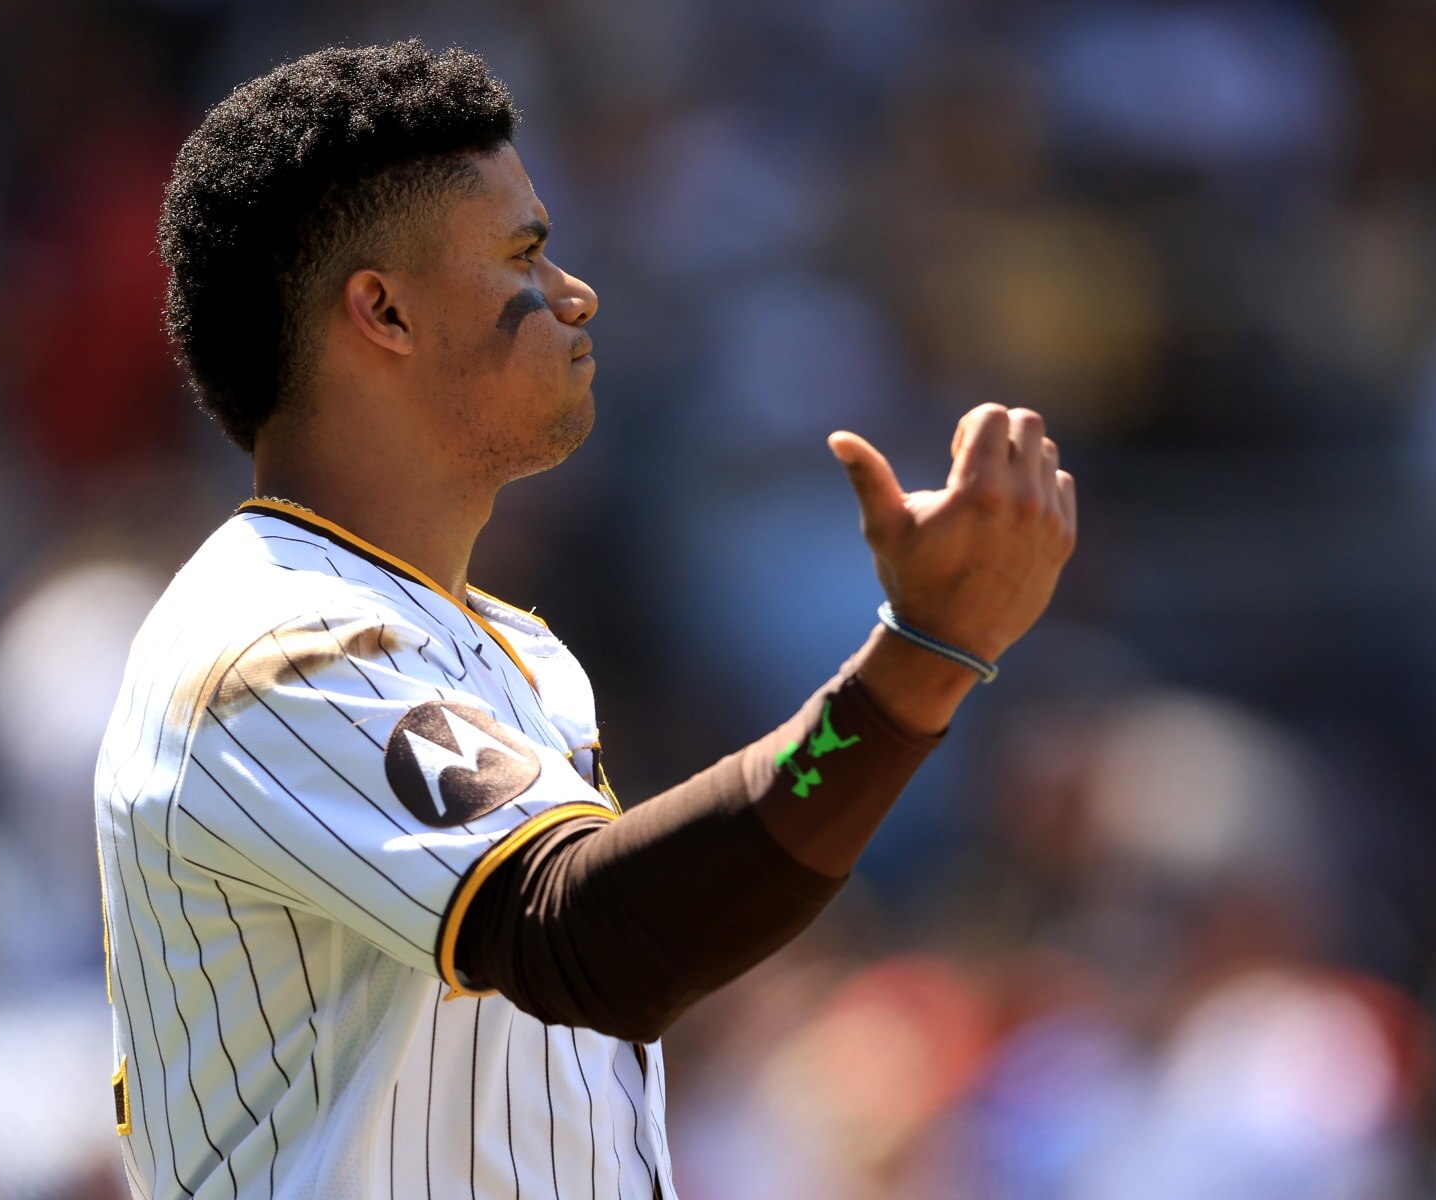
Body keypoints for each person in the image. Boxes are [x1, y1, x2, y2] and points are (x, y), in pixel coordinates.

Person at [94, 39, 1075, 1200]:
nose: (574, 292)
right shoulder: (277, 646)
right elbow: (590, 938)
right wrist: (916, 666)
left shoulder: (510, 647)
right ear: (385, 310)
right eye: (525, 252)